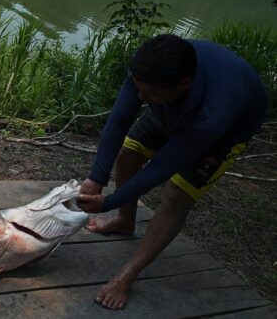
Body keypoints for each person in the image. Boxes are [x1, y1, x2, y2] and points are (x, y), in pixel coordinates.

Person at [75, 34, 268, 310]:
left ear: (183, 85)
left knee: (177, 194)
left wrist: (109, 200)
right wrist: (97, 176)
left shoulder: (215, 114)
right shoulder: (151, 73)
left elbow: (161, 168)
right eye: (138, 89)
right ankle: (124, 221)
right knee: (129, 154)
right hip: (171, 104)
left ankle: (127, 275)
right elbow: (119, 121)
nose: (140, 97)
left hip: (226, 132)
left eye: (148, 94)